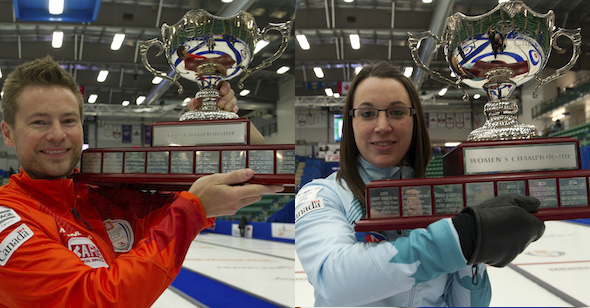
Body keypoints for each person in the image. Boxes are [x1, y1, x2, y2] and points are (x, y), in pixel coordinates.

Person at [0, 55, 284, 307]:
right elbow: (95, 300)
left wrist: (218, 125)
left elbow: (239, 174)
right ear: (8, 133)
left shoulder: (103, 196)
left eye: (69, 120)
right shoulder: (8, 218)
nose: (57, 134)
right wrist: (193, 209)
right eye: (39, 122)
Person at [294, 61, 545, 307]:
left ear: (415, 122)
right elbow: (334, 280)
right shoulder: (322, 195)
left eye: (397, 112)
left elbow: (469, 304)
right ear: (351, 124)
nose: (382, 126)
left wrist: (477, 250)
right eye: (367, 114)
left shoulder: (438, 199)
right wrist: (460, 238)